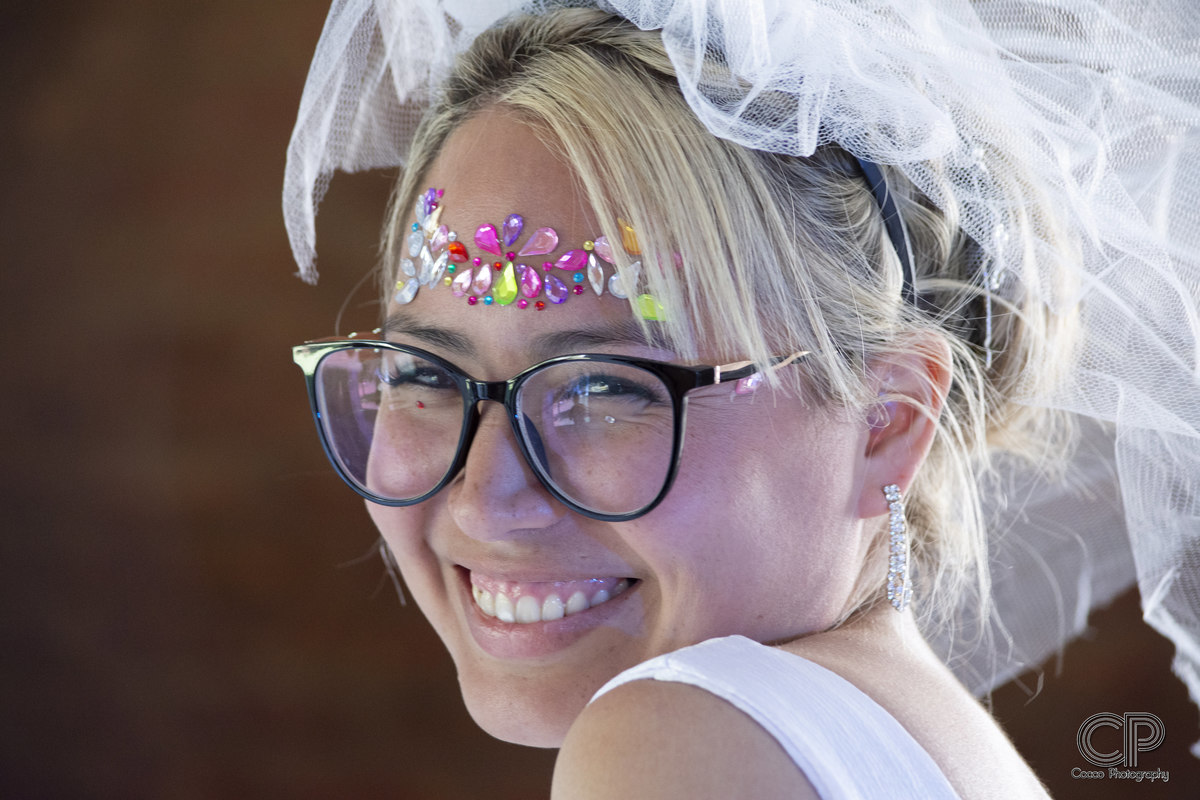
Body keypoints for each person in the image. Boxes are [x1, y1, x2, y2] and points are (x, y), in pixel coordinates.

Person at [284, 1, 1200, 797]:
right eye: (423, 377)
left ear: (888, 420)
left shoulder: (675, 740)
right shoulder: (922, 743)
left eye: (604, 389)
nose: (485, 497)